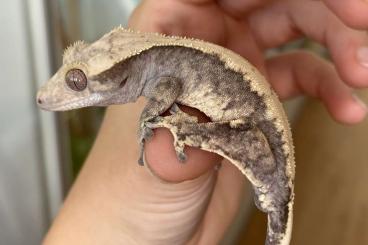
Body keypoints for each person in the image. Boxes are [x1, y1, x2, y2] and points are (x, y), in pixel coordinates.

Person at [43, 1, 368, 244]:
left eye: (76, 80)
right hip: (250, 139)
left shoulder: (157, 68)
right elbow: (168, 87)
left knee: (273, 208)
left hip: (262, 143)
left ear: (117, 71)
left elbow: (169, 88)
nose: (50, 94)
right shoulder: (152, 63)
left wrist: (154, 117)